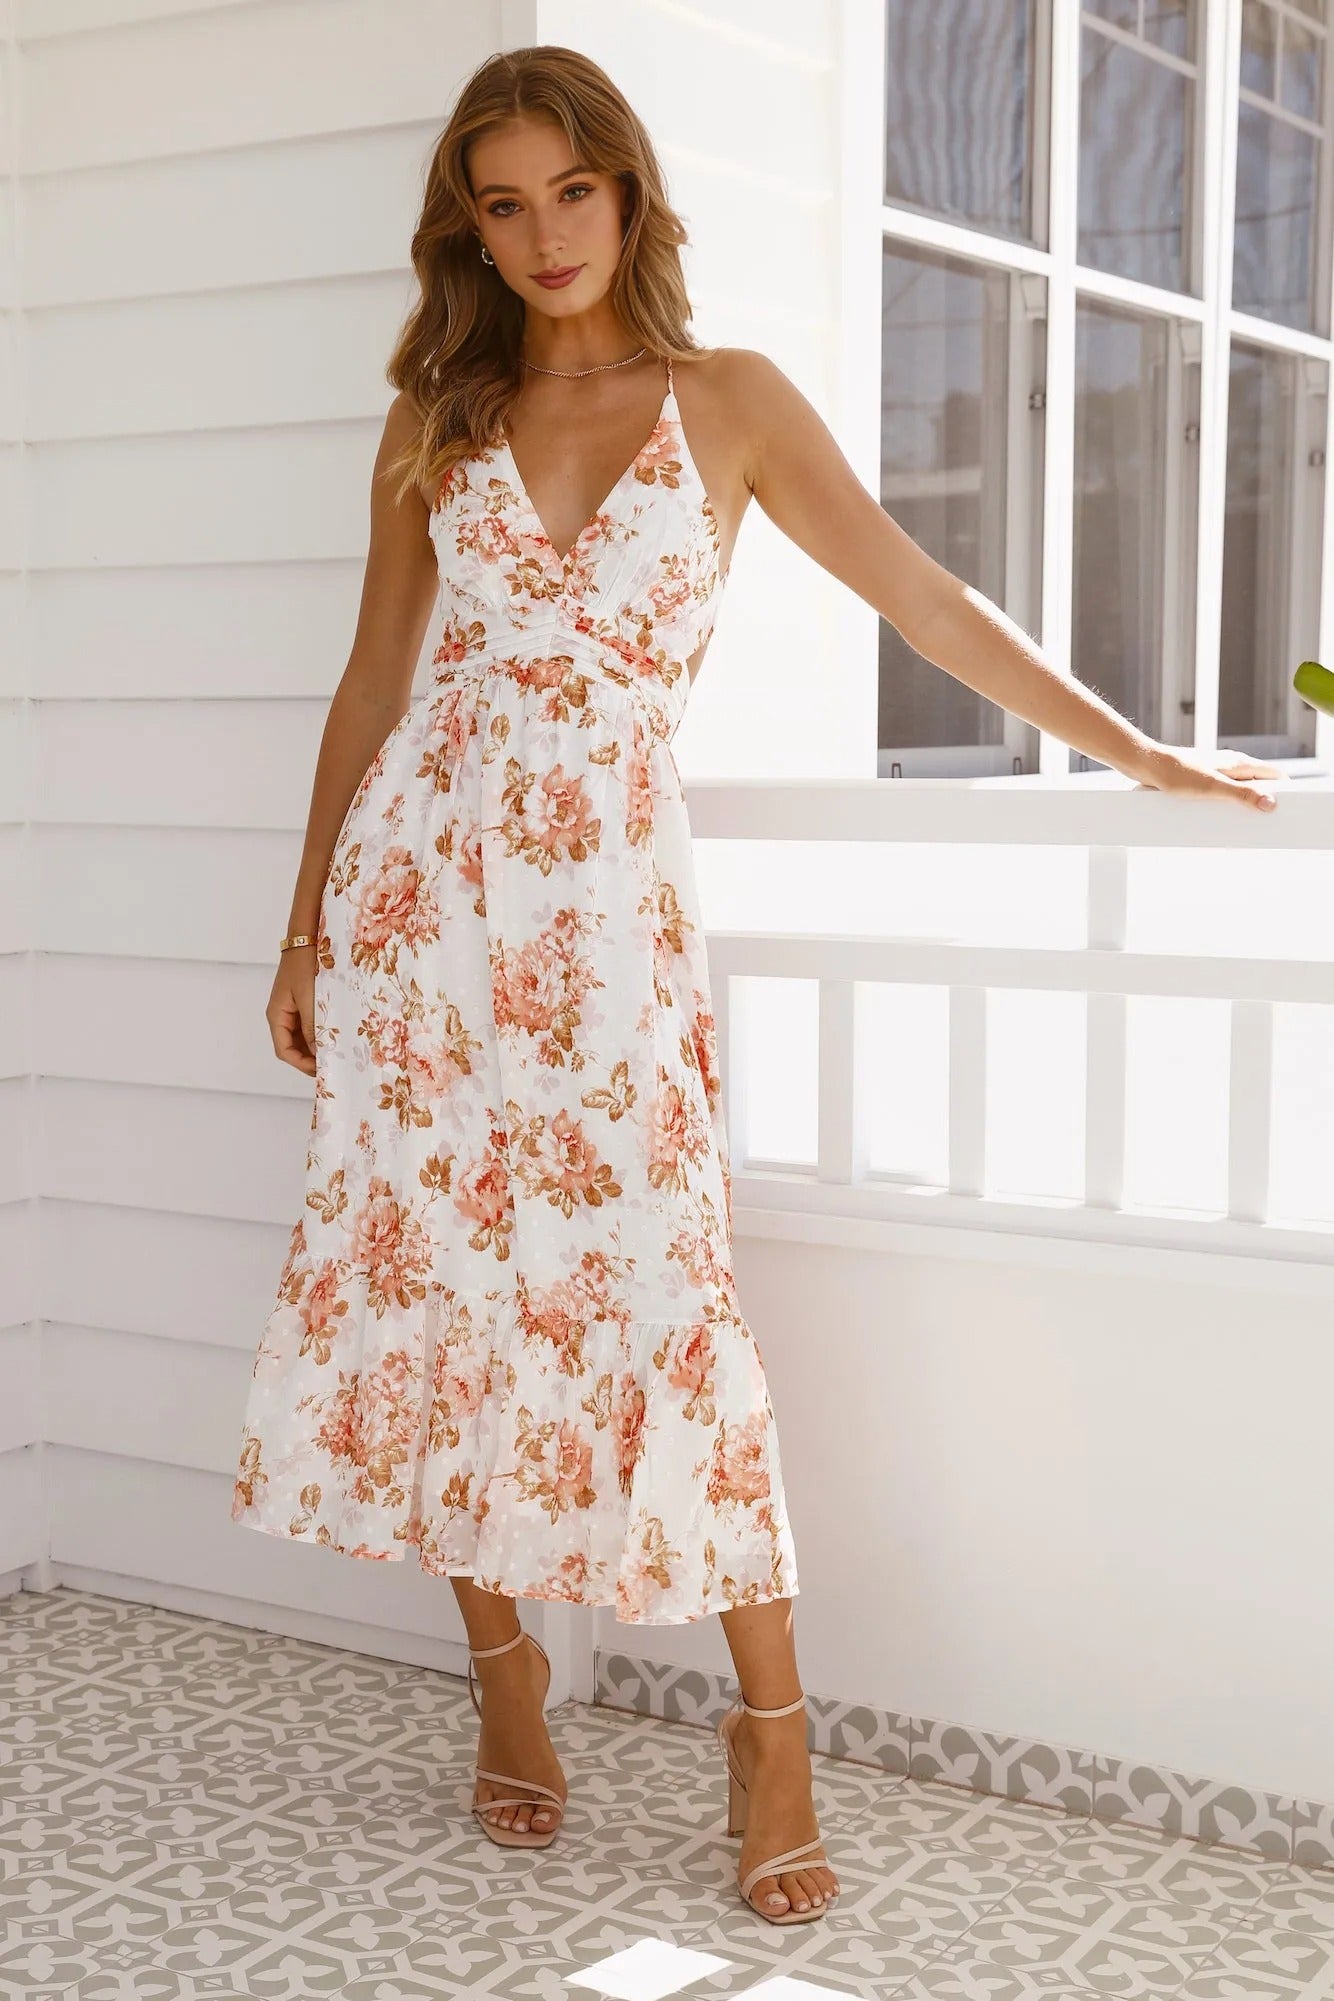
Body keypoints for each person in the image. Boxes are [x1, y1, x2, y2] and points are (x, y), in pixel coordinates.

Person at [229, 44, 1283, 1929]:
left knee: (665, 1298)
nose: (544, 234)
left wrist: (1137, 750)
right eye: (503, 202)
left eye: (572, 190)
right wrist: (309, 926)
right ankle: (505, 1677)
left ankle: (771, 1730)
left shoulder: (724, 401)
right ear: (468, 227)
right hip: (422, 919)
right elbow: (374, 681)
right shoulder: (435, 417)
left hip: (610, 929)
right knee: (441, 1283)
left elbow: (925, 600)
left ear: (628, 193)